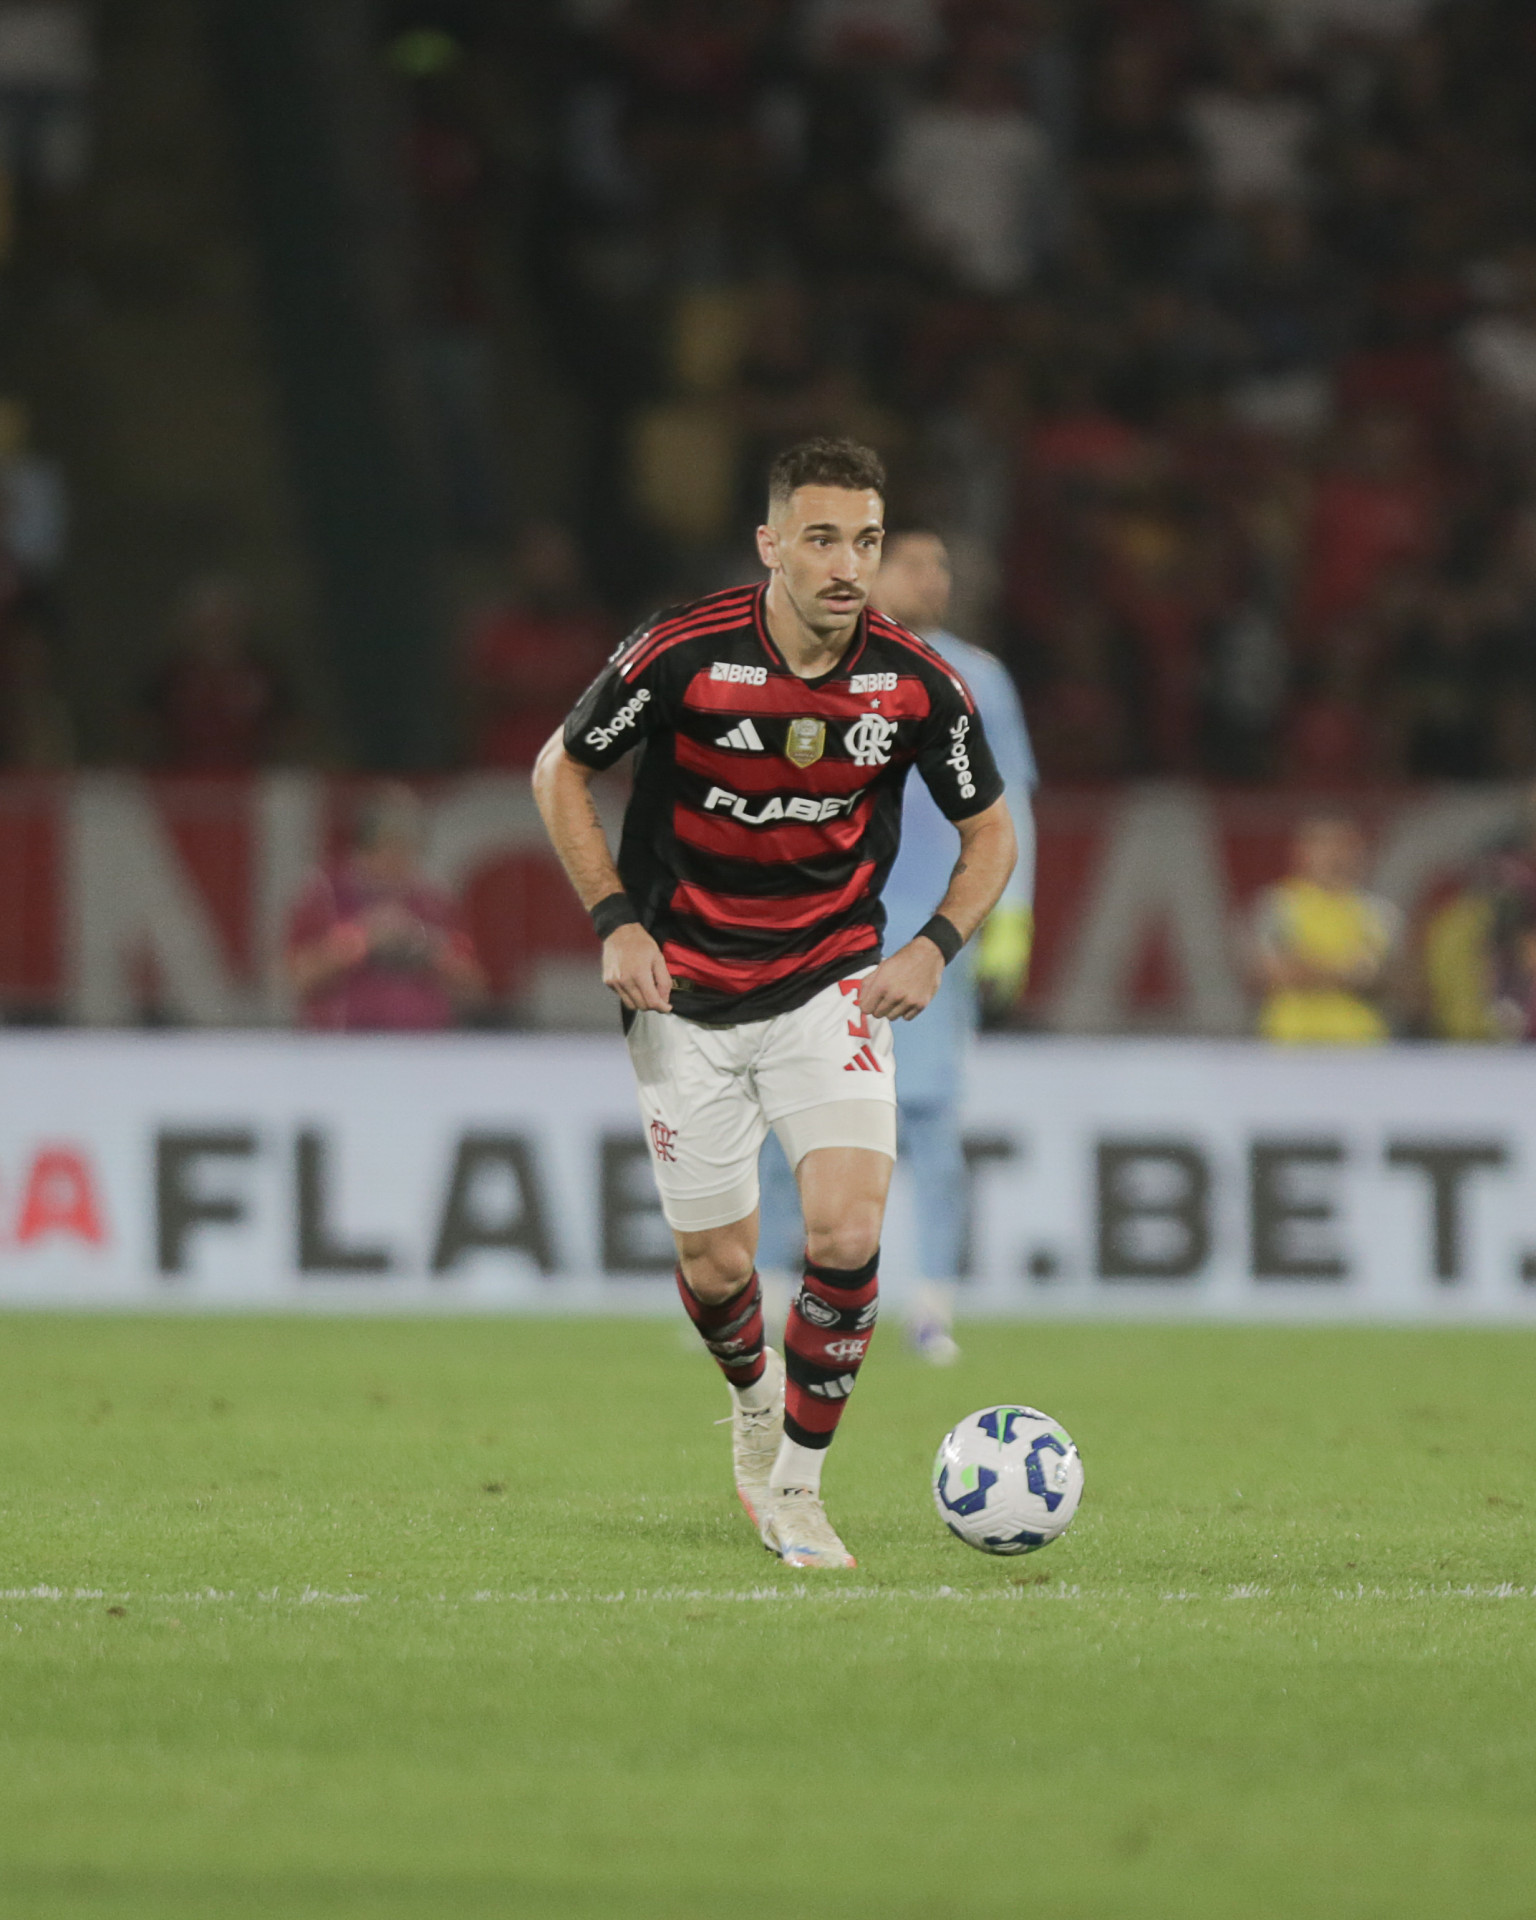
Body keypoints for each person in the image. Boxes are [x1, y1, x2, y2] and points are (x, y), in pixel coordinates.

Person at [532, 437, 1016, 1569]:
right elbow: (561, 768)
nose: (849, 564)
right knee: (717, 1268)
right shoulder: (685, 653)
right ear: (771, 545)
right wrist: (616, 920)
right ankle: (754, 1404)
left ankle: (799, 1483)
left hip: (830, 984)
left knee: (847, 1231)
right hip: (684, 992)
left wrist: (938, 945)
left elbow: (991, 830)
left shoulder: (914, 682)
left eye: (867, 541)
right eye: (822, 539)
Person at [757, 527, 1036, 1362]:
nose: (932, 577)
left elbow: (1009, 806)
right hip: (820, 933)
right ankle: (771, 1298)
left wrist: (1007, 926)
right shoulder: (815, 665)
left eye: (942, 565)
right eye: (915, 563)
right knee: (787, 1118)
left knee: (929, 1124)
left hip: (931, 940)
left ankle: (932, 1305)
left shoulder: (979, 677)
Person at [285, 784, 484, 1031]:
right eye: (389, 847)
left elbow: (473, 987)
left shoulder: (433, 902)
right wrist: (363, 938)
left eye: (408, 848)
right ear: (365, 848)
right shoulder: (325, 895)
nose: (399, 860)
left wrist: (423, 945)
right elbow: (296, 979)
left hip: (424, 1049)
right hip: (342, 1048)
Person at [1249, 813, 1401, 1043]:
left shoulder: (1377, 912)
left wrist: (1305, 963)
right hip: (1290, 1040)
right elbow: (1275, 972)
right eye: (1323, 844)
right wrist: (1344, 971)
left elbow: (1381, 977)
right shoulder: (1277, 906)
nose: (1334, 855)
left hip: (1360, 1042)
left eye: (1344, 845)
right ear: (1301, 851)